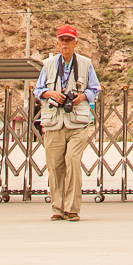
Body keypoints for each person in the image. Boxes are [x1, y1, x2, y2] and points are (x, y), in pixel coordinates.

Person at [34, 25, 100, 222]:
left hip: (77, 123)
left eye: (69, 40)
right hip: (54, 122)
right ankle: (58, 208)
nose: (65, 43)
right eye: (62, 40)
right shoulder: (47, 65)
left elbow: (95, 88)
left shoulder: (86, 64)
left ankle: (72, 208)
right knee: (55, 166)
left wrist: (81, 97)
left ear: (76, 42)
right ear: (57, 42)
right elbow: (38, 90)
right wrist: (51, 94)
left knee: (72, 160)